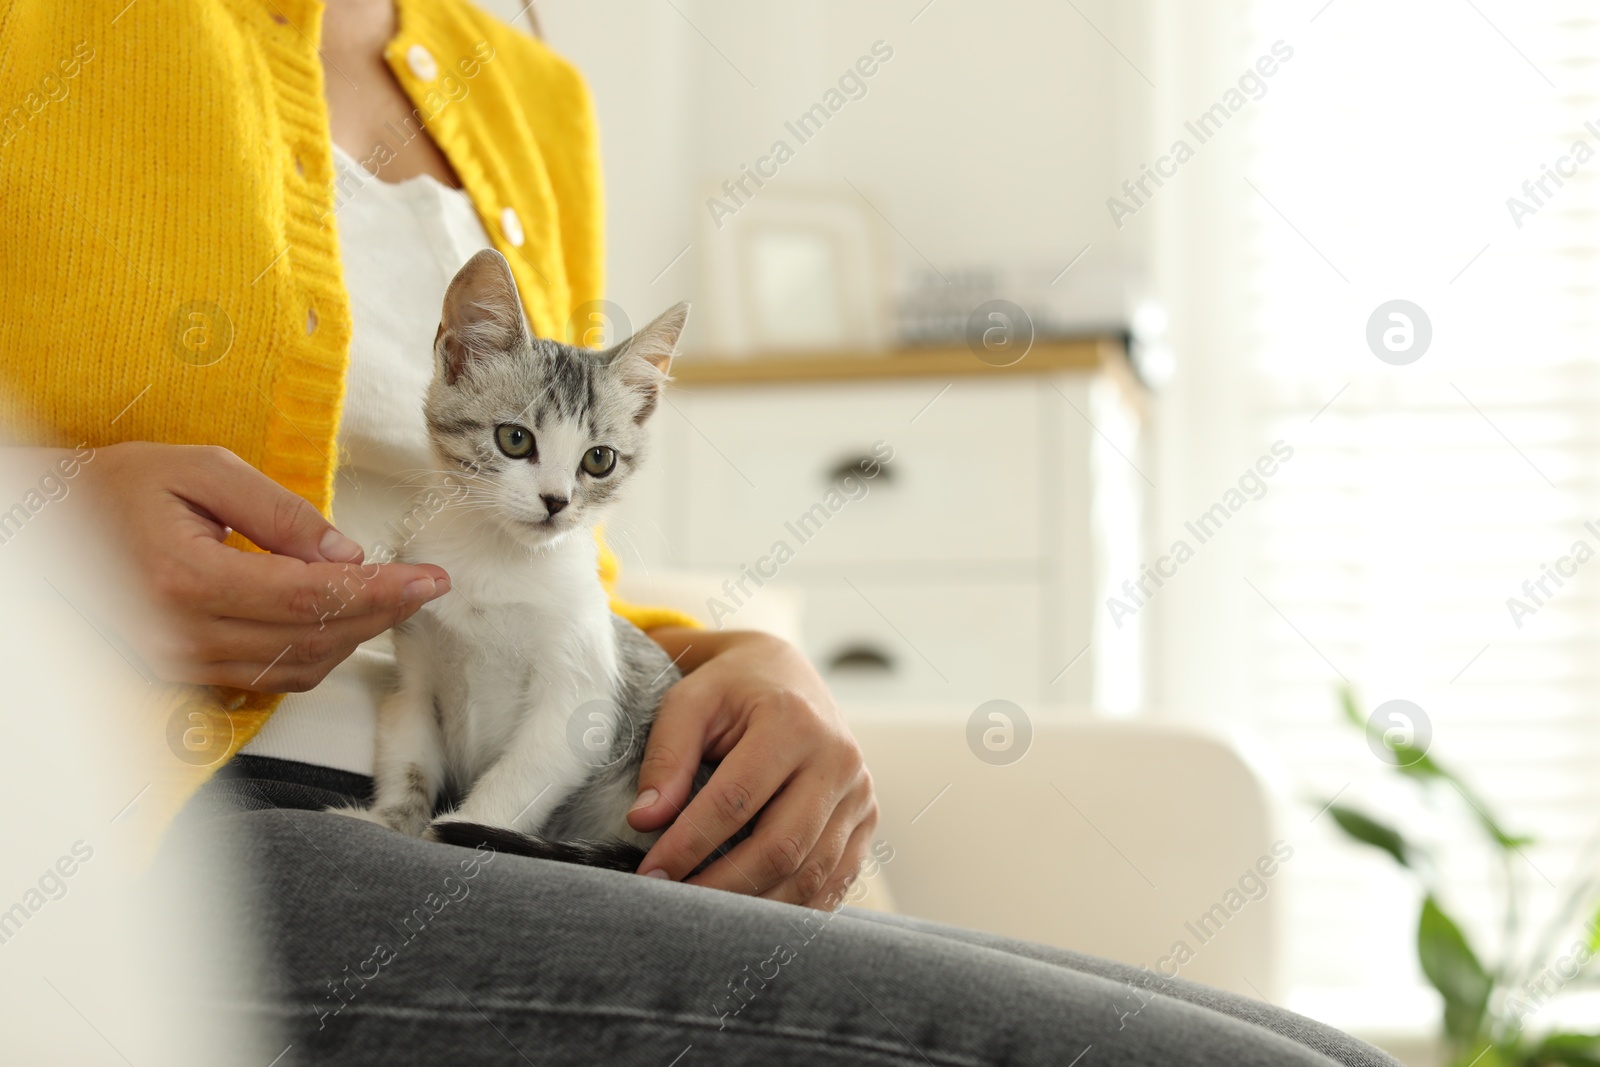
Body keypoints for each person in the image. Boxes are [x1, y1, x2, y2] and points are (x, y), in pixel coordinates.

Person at [0, 1, 1399, 1063]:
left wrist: (734, 663)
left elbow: (550, 564)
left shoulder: (520, 86)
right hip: (150, 844)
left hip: (512, 837)